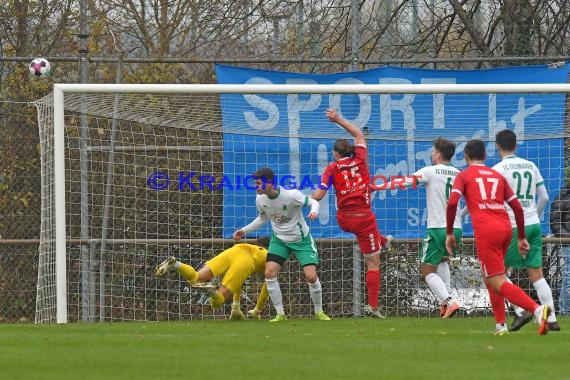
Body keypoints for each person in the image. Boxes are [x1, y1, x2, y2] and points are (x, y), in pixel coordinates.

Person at [445, 139, 550, 335]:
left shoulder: (464, 175)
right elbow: (517, 206)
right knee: (489, 276)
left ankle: (536, 309)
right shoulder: (496, 174)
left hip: (487, 231)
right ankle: (500, 325)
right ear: (485, 156)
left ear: (465, 157)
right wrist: (520, 237)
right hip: (506, 227)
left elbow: (452, 204)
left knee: (497, 279)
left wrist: (450, 232)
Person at [312, 109, 390, 318]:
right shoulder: (361, 159)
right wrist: (338, 119)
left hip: (344, 219)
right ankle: (373, 308)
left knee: (372, 233)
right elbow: (359, 135)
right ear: (350, 151)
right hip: (363, 219)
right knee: (373, 263)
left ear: (336, 154)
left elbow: (319, 195)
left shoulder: (331, 167)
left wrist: (308, 199)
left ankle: (382, 240)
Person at [233, 167, 331, 322]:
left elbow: (313, 202)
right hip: (279, 240)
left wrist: (314, 211)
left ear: (270, 183)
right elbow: (263, 219)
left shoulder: (291, 195)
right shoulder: (260, 199)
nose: (256, 187)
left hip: (301, 241)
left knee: (311, 277)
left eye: (258, 183)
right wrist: (243, 231)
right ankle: (280, 314)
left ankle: (319, 312)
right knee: (270, 273)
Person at [382, 138, 462, 318]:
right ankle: (446, 304)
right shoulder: (459, 173)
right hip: (456, 228)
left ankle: (450, 301)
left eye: (434, 151)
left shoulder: (430, 171)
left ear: (439, 154)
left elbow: (404, 182)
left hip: (438, 228)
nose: (432, 154)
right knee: (442, 260)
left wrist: (377, 187)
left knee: (426, 271)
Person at [492, 129, 559, 331]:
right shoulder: (530, 165)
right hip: (533, 223)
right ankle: (552, 317)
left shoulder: (498, 169)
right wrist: (534, 216)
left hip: (513, 225)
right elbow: (545, 197)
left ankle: (522, 311)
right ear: (516, 145)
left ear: (497, 146)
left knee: (497, 274)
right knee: (537, 273)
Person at [154, 236, 270, 320]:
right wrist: (257, 310)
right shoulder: (270, 257)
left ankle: (176, 264)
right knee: (217, 301)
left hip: (234, 251)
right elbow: (268, 286)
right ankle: (212, 291)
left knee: (196, 277)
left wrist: (236, 307)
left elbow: (239, 282)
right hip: (246, 262)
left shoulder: (249, 247)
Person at [549, 186, 570, 316]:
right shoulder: (562, 197)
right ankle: (565, 312)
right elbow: (555, 222)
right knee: (569, 278)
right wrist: (568, 238)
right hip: (568, 244)